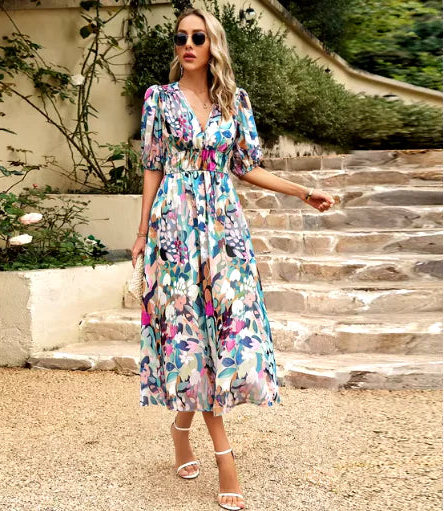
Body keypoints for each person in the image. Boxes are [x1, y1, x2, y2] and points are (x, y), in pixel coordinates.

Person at [131, 7, 335, 510]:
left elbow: (245, 166)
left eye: (198, 37)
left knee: (231, 330)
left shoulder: (234, 100)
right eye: (181, 37)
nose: (188, 44)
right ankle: (226, 458)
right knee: (190, 335)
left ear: (213, 44)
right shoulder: (159, 98)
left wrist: (300, 191)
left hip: (224, 229)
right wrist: (141, 232)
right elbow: (153, 166)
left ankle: (181, 430)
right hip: (175, 228)